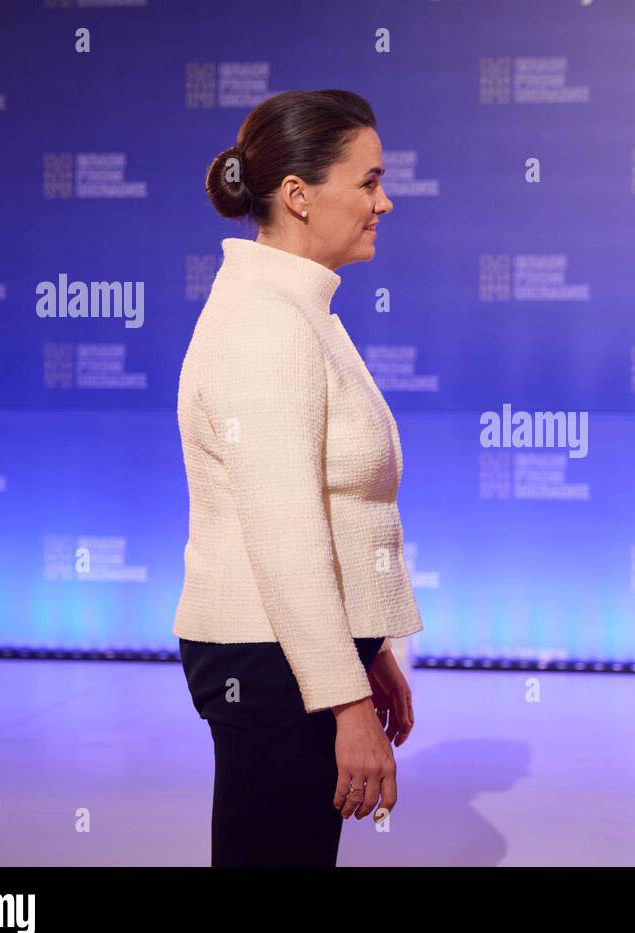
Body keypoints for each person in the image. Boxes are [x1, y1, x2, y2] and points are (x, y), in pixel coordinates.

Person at [173, 89, 421, 866]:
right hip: (269, 663)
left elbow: (325, 509)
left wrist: (367, 646)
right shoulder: (265, 323)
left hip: (293, 657)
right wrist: (344, 699)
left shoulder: (296, 309)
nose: (385, 201)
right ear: (298, 196)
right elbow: (285, 534)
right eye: (369, 181)